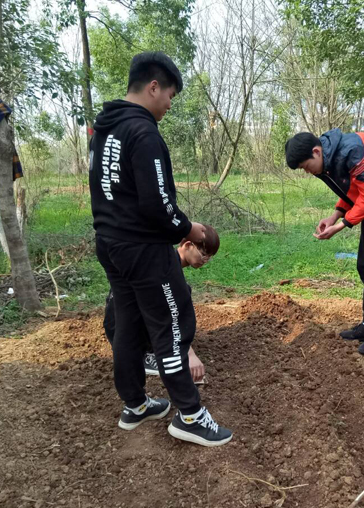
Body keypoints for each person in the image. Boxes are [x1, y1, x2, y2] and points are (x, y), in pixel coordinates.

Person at [89, 51, 232, 446]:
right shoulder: (143, 132)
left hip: (111, 243)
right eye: (170, 95)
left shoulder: (106, 129)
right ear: (153, 87)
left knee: (129, 323)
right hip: (143, 249)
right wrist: (189, 228)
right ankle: (190, 415)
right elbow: (157, 204)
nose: (170, 104)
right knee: (172, 325)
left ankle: (135, 404)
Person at [284, 129, 364, 356]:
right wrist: (334, 215)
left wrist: (341, 225)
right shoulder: (331, 157)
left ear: (316, 152)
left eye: (306, 166)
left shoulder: (350, 150)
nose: (307, 172)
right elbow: (353, 187)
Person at [103, 225, 221, 385]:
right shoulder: (165, 270)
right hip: (123, 328)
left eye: (209, 257)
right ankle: (147, 355)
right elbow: (169, 314)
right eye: (204, 254)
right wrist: (188, 354)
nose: (205, 260)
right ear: (187, 245)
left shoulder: (165, 260)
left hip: (121, 325)